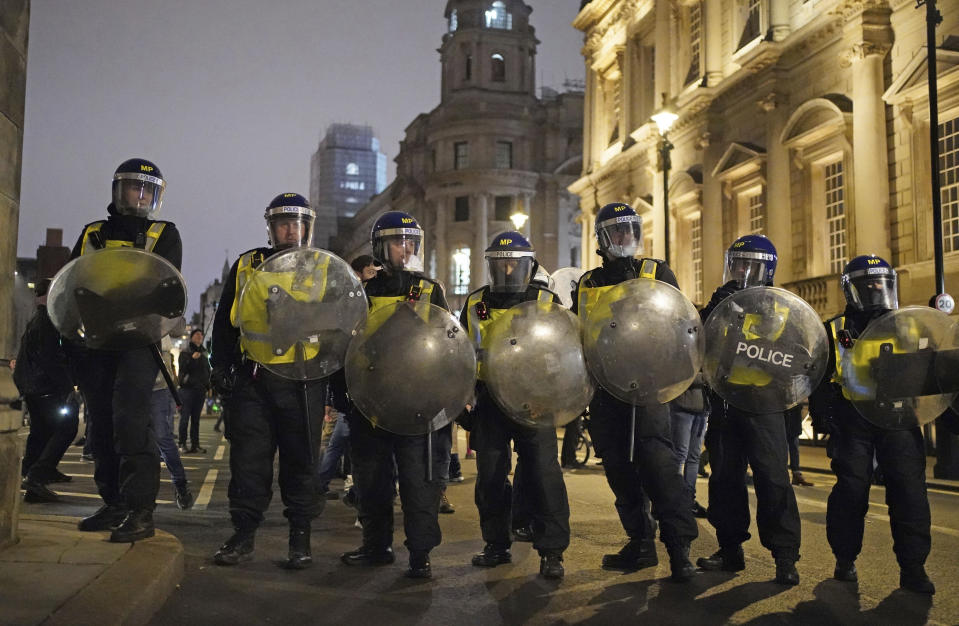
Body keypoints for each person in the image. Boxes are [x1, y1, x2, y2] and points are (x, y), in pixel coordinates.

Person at [572, 202, 698, 582]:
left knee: (659, 465)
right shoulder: (589, 283)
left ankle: (679, 547)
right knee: (618, 469)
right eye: (617, 231)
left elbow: (678, 322)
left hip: (647, 387)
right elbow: (581, 334)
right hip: (606, 389)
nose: (626, 236)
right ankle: (640, 541)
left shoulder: (655, 271)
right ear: (603, 238)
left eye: (630, 229)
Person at [210, 193, 327, 569]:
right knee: (248, 463)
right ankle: (243, 534)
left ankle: (300, 538)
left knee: (302, 462)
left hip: (303, 381)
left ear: (307, 229)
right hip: (254, 380)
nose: (290, 230)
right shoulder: (247, 264)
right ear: (271, 228)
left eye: (297, 224)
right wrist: (221, 367)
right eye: (283, 224)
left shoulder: (323, 267)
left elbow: (343, 326)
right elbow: (225, 325)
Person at [808, 255, 935, 594]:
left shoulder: (909, 324)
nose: (877, 288)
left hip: (899, 417)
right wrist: (825, 418)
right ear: (853, 290)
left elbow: (933, 372)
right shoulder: (835, 329)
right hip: (854, 420)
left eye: (882, 282)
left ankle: (913, 568)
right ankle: (845, 557)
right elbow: (820, 377)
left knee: (909, 493)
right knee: (851, 491)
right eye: (869, 283)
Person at [69, 158, 182, 543]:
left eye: (149, 190)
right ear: (119, 190)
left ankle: (140, 511)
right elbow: (72, 286)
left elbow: (164, 288)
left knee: (132, 423)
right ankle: (113, 502)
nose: (142, 195)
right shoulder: (91, 233)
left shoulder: (164, 233)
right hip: (98, 342)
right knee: (99, 423)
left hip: (138, 342)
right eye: (136, 187)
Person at [340, 211, 451, 579]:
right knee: (372, 481)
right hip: (371, 402)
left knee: (419, 482)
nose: (405, 249)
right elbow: (346, 344)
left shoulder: (429, 289)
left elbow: (448, 343)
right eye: (396, 242)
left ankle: (420, 553)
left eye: (410, 242)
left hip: (417, 403)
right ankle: (376, 545)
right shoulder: (364, 292)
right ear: (379, 248)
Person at [461, 232, 570, 579]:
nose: (507, 269)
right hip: (490, 401)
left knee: (543, 475)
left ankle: (552, 551)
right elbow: (462, 352)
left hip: (534, 400)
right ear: (490, 266)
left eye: (514, 262)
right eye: (500, 263)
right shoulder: (475, 302)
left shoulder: (545, 299)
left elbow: (562, 350)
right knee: (490, 478)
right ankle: (496, 544)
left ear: (529, 265)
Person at [697, 234, 801, 585]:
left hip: (765, 404)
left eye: (748, 264)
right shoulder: (722, 302)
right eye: (737, 264)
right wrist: (715, 310)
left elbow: (797, 355)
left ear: (765, 269)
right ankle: (729, 549)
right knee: (725, 479)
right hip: (726, 402)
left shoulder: (783, 306)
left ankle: (785, 556)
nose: (740, 270)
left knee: (773, 479)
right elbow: (701, 344)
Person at [14, 278, 78, 502]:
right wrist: (68, 387)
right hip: (46, 388)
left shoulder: (37, 320)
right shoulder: (49, 321)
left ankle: (34, 480)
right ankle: (38, 474)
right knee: (67, 427)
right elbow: (51, 358)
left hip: (34, 387)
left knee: (40, 433)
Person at [151, 335, 193, 509]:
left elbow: (177, 324)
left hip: (158, 382)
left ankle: (180, 484)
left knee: (162, 436)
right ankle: (130, 500)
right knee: (130, 439)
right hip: (129, 375)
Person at [669, 371, 709, 518]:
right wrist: (708, 377)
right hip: (682, 407)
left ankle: (688, 499)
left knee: (693, 458)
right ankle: (674, 499)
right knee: (680, 455)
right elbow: (683, 375)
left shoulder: (707, 352)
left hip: (702, 409)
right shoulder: (689, 350)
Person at [178, 329, 211, 454]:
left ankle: (195, 444)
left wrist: (208, 386)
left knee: (196, 420)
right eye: (197, 334)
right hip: (187, 390)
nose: (200, 336)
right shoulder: (185, 352)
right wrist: (191, 359)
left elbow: (206, 371)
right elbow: (182, 370)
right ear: (191, 337)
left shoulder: (204, 353)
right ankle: (182, 443)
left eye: (201, 335)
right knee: (185, 418)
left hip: (200, 390)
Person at [785, 405, 813, 486]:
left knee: (794, 448)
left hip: (793, 419)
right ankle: (786, 475)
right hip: (786, 417)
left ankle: (796, 475)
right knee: (786, 449)